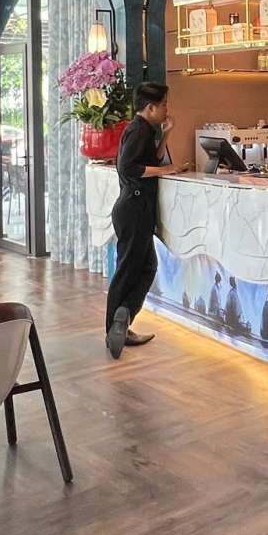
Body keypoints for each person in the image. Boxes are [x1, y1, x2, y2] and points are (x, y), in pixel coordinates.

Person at [107, 82, 187, 358]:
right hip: (134, 207)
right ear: (150, 107)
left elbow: (150, 159)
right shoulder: (138, 129)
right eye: (164, 104)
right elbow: (128, 167)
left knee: (144, 266)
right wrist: (166, 170)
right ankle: (117, 324)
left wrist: (166, 135)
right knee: (129, 270)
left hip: (134, 207)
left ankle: (122, 320)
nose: (167, 108)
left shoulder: (142, 129)